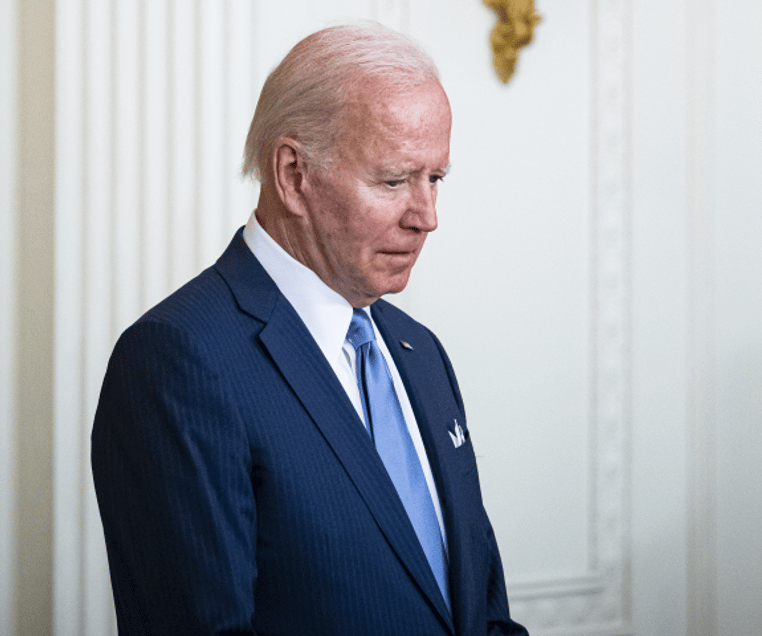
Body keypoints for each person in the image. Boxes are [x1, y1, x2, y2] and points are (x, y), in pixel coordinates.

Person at [92, 22, 528, 636]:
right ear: (294, 174)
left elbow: (481, 613)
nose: (427, 217)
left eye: (436, 178)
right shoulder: (176, 362)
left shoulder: (420, 353)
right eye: (394, 179)